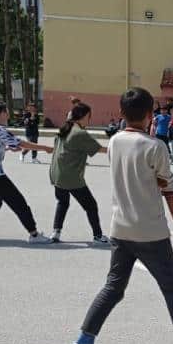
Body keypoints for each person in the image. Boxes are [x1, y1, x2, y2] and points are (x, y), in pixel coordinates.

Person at [65, 87, 173, 344]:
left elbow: (137, 179)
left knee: (113, 287)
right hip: (150, 230)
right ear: (151, 114)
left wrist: (159, 186)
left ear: (121, 113)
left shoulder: (116, 142)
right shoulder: (155, 146)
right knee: (171, 287)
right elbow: (171, 194)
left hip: (120, 228)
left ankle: (82, 343)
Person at [0, 103, 54, 243]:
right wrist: (45, 148)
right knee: (19, 203)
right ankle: (34, 234)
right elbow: (21, 143)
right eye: (6, 113)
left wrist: (7, 148)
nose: (8, 115)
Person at [49, 102, 109, 245]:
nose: (90, 119)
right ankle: (98, 236)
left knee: (62, 202)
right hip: (71, 177)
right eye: (89, 116)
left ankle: (55, 233)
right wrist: (118, 148)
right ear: (82, 116)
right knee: (91, 206)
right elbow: (99, 149)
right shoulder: (79, 133)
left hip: (57, 174)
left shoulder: (64, 129)